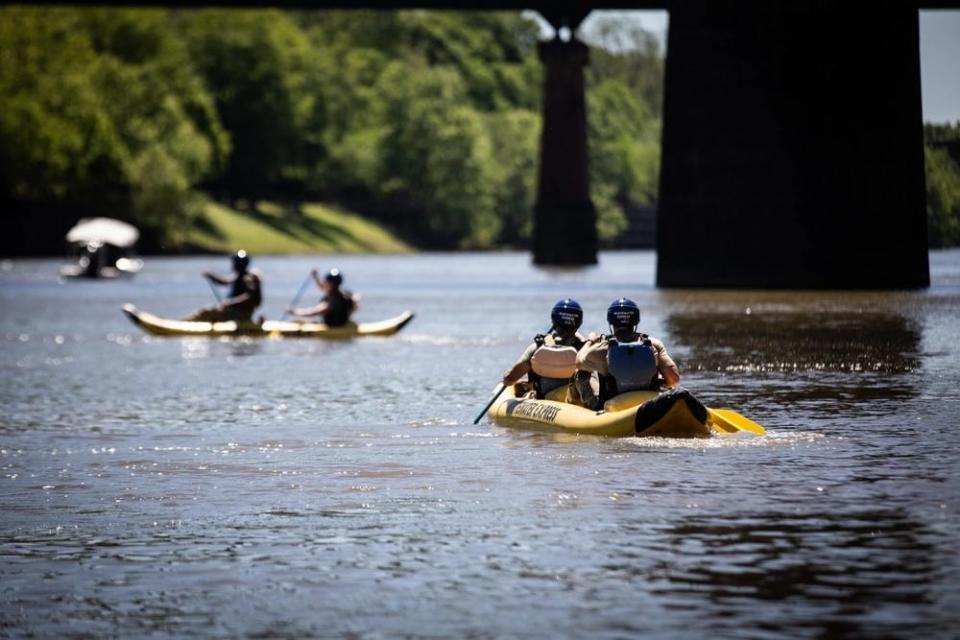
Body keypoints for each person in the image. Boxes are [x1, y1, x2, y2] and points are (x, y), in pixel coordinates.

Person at [575, 297, 681, 410]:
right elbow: (673, 378)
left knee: (580, 373)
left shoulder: (601, 349)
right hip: (649, 400)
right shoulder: (654, 344)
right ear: (636, 320)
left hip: (613, 405)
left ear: (611, 321)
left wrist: (590, 341)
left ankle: (575, 405)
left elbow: (578, 362)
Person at [502, 299, 588, 400]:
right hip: (574, 398)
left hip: (544, 398)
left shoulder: (538, 347)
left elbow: (510, 378)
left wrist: (506, 377)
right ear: (579, 322)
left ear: (553, 319)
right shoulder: (585, 348)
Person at [186, 250, 262, 322]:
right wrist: (211, 276)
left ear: (239, 264)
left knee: (207, 311)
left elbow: (249, 297)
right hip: (233, 311)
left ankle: (186, 324)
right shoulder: (239, 276)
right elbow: (224, 282)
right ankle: (187, 322)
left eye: (234, 262)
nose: (232, 264)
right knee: (210, 310)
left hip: (240, 314)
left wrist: (229, 303)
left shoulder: (248, 278)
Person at [286, 268, 359, 327]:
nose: (324, 283)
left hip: (333, 327)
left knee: (300, 322)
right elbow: (322, 287)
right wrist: (316, 277)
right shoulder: (345, 293)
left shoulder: (332, 299)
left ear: (330, 284)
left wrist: (295, 312)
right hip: (342, 324)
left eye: (325, 282)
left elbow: (315, 311)